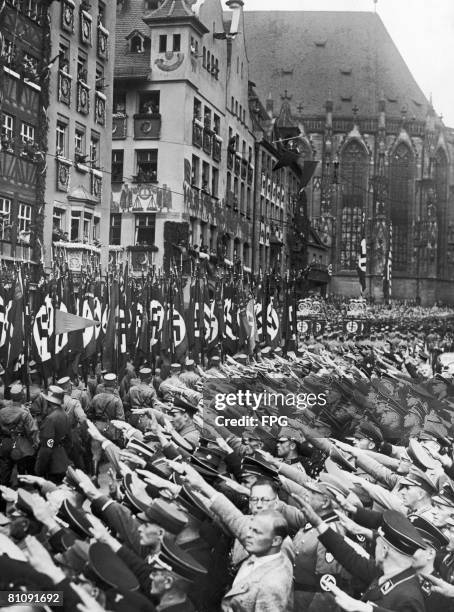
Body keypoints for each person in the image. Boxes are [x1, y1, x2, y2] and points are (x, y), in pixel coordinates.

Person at [34, 387, 71, 484]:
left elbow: (47, 448)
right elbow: (69, 441)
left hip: (52, 464)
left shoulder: (50, 419)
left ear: (48, 402)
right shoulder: (65, 414)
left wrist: (39, 468)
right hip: (62, 459)